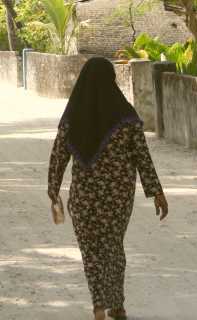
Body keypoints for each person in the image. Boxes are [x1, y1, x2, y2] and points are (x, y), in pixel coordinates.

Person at [47, 57, 168, 320]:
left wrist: (53, 189)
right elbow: (142, 157)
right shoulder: (127, 116)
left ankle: (99, 305)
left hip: (84, 198)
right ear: (111, 79)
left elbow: (58, 155)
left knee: (90, 251)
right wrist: (157, 192)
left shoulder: (73, 115)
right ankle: (118, 305)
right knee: (113, 247)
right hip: (118, 198)